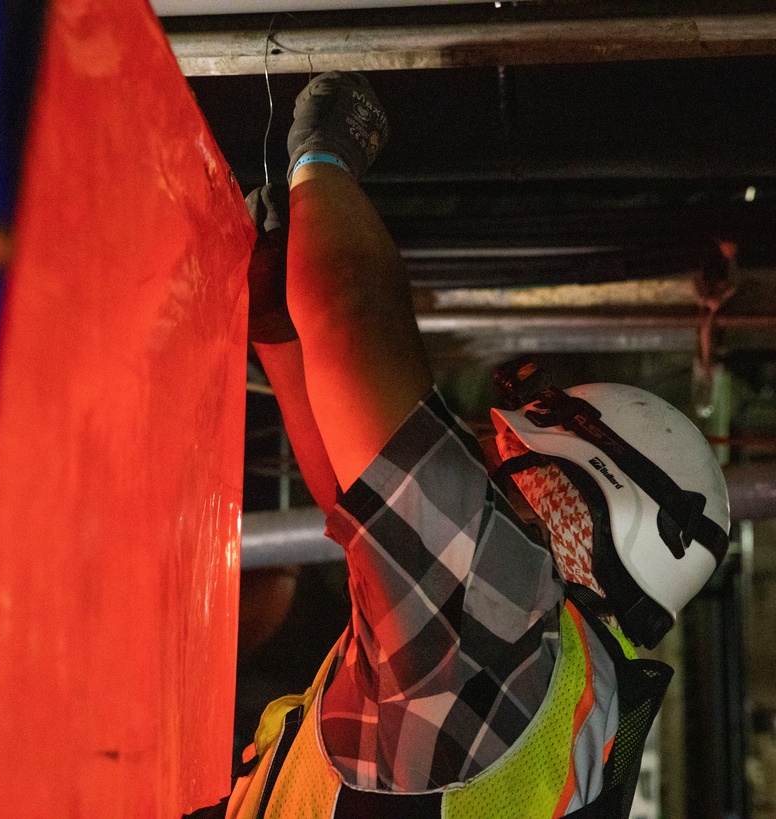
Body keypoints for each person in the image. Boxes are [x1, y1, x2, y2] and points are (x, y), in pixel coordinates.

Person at [190, 72, 731, 818]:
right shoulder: (557, 710)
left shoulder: (502, 625)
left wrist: (325, 155)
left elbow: (350, 303)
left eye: (512, 470)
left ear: (571, 500)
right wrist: (285, 333)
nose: (487, 463)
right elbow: (368, 504)